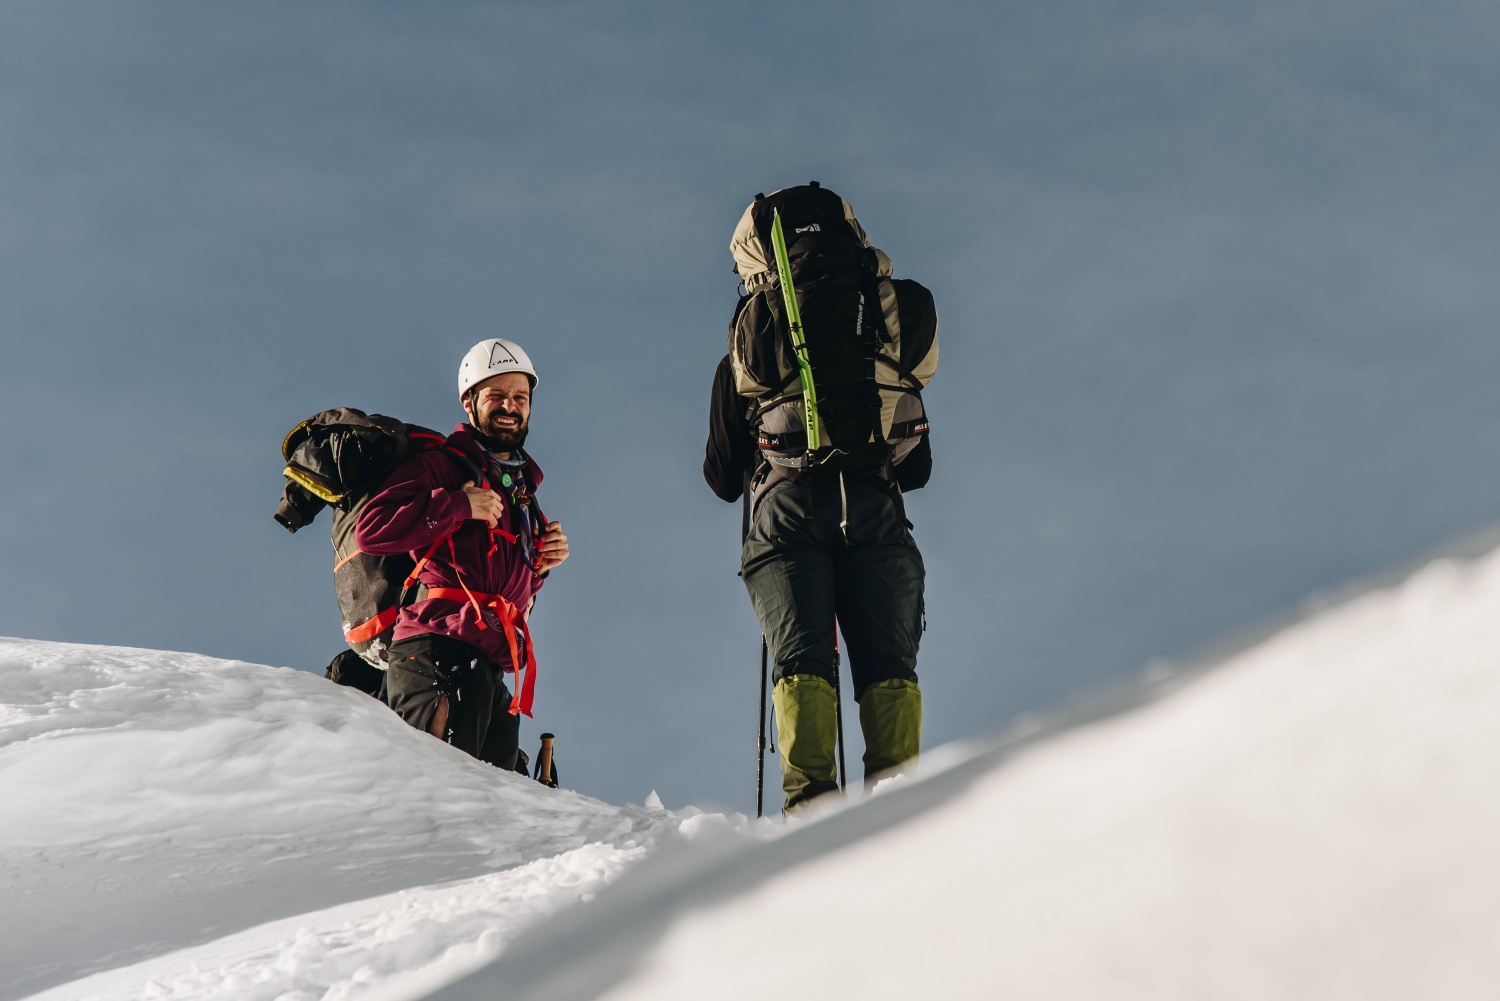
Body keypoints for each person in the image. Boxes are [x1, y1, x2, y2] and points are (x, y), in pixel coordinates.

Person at [705, 183, 937, 812]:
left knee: (803, 661)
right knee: (889, 667)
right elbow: (916, 470)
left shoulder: (749, 338)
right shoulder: (883, 318)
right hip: (876, 510)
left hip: (787, 518)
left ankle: (811, 815)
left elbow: (724, 477)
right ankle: (897, 815)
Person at [355, 338, 569, 769]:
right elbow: (371, 530)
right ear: (469, 402)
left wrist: (541, 566)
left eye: (520, 398)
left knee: (496, 808)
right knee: (436, 789)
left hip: (489, 664)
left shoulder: (523, 494)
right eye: (496, 396)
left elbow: (504, 585)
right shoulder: (441, 466)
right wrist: (458, 504)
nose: (510, 406)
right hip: (435, 650)